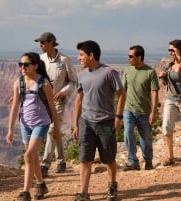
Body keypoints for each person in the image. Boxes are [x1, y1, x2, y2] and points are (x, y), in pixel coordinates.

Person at [72, 40, 126, 201]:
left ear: (91, 55)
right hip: (86, 122)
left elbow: (122, 94)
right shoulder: (81, 75)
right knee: (85, 159)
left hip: (106, 122)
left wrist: (118, 116)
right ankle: (84, 193)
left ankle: (112, 186)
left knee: (108, 159)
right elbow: (78, 100)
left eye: (81, 55)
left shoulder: (109, 72)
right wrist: (76, 124)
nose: (78, 58)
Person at [6, 52, 60, 201]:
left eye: (26, 65)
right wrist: (10, 129)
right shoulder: (19, 83)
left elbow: (52, 107)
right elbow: (15, 106)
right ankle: (41, 184)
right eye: (20, 64)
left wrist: (57, 128)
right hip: (24, 124)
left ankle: (26, 192)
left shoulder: (44, 83)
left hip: (41, 123)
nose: (22, 67)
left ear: (35, 66)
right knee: (33, 157)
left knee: (28, 156)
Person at [34, 32, 77, 177]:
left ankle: (45, 164)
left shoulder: (64, 60)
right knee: (56, 131)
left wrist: (63, 92)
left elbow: (73, 82)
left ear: (51, 42)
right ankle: (61, 161)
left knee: (52, 130)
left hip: (58, 102)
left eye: (43, 42)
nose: (40, 45)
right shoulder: (40, 60)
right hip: (43, 102)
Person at [121, 45, 160, 171]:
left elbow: (154, 92)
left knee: (146, 138)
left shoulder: (150, 72)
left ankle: (148, 160)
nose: (128, 59)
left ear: (139, 57)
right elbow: (122, 91)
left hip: (144, 111)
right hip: (128, 110)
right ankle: (133, 161)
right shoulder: (127, 70)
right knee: (128, 133)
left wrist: (153, 112)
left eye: (131, 56)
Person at [158, 39, 181, 166]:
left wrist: (179, 58)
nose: (170, 53)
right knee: (167, 128)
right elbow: (166, 84)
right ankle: (170, 157)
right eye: (169, 50)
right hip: (171, 99)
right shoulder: (169, 65)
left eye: (172, 50)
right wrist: (163, 77)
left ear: (179, 50)